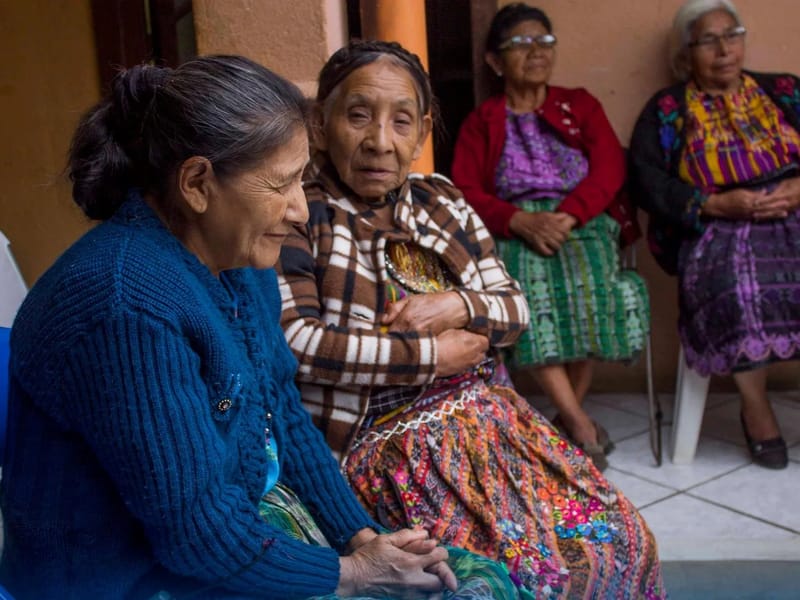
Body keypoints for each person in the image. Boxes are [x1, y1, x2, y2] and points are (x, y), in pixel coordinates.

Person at [0, 55, 519, 600]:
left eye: (302, 180)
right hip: (123, 580)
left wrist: (361, 536)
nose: (300, 210)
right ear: (197, 183)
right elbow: (195, 533)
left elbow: (284, 417)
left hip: (222, 538)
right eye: (282, 184)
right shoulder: (126, 306)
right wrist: (355, 574)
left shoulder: (238, 265)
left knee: (470, 580)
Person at [277, 39, 665, 598]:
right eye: (358, 115)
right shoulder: (302, 214)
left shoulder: (441, 201)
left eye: (401, 121)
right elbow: (298, 343)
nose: (379, 142)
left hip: (493, 422)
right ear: (320, 124)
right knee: (519, 578)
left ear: (423, 133)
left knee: (623, 539)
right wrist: (433, 356)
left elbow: (514, 310)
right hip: (385, 448)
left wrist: (458, 305)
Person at [451, 3, 650, 469]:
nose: (536, 50)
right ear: (495, 62)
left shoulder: (579, 104)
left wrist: (569, 214)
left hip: (579, 220)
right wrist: (518, 221)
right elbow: (466, 188)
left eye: (544, 41)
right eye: (521, 43)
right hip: (516, 226)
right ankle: (580, 425)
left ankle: (566, 420)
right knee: (531, 294)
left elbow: (608, 168)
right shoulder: (483, 121)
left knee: (587, 292)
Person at [629, 0, 800, 469]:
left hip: (794, 210)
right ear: (686, 53)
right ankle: (757, 409)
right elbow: (645, 179)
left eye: (733, 34)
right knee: (739, 290)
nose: (724, 49)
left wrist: (797, 188)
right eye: (708, 39)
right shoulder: (667, 109)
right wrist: (711, 202)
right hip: (718, 226)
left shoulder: (785, 90)